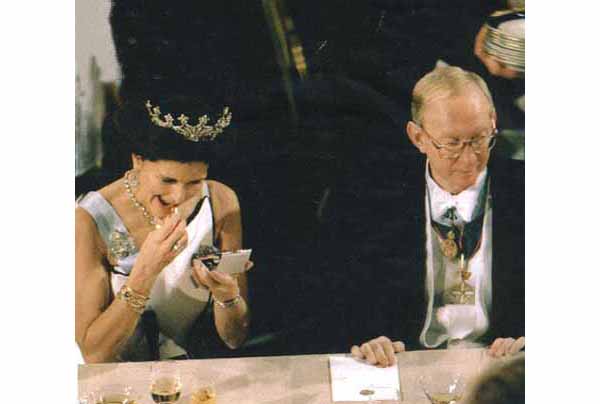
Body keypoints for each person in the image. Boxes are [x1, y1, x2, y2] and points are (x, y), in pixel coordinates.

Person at [321, 66, 524, 366]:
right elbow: (338, 300)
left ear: (493, 122)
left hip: (504, 369)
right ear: (418, 137)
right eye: (452, 143)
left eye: (481, 139)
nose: (470, 159)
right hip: (408, 364)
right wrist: (369, 340)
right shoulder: (368, 199)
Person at [75, 98, 251, 363]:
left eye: (195, 181)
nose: (178, 195)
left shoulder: (221, 202)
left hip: (192, 374)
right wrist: (145, 271)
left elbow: (235, 338)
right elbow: (94, 354)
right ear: (138, 160)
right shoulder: (88, 220)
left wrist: (227, 297)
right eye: (167, 179)